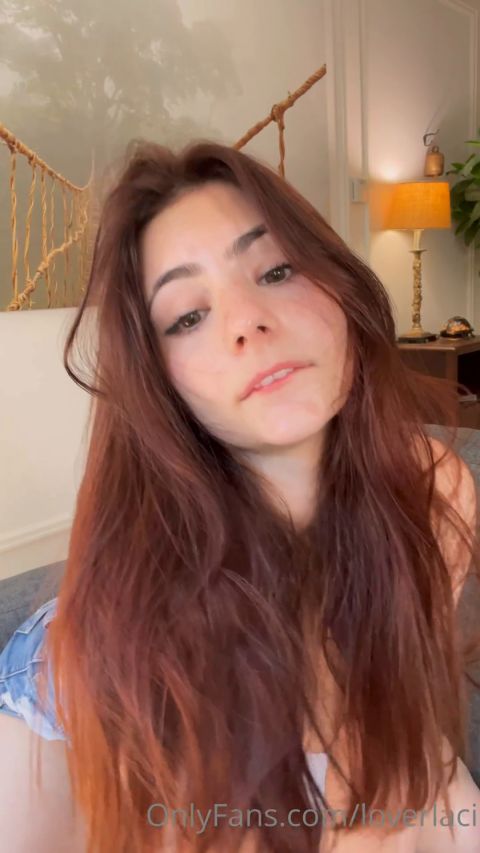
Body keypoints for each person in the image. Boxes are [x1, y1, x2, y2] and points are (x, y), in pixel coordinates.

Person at [0, 139, 479, 853]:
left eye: (277, 270)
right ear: (160, 383)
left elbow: (409, 736)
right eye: (187, 316)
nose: (246, 320)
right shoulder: (87, 659)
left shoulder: (434, 492)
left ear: (341, 289)